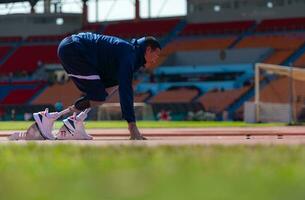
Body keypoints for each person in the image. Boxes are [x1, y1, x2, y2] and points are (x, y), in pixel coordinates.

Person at [33, 32, 161, 140]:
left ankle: (74, 121)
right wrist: (132, 127)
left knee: (109, 88)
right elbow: (126, 90)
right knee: (99, 96)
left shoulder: (130, 55)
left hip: (78, 50)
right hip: (74, 50)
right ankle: (48, 118)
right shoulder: (129, 56)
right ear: (148, 49)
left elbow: (116, 85)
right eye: (157, 54)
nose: (156, 59)